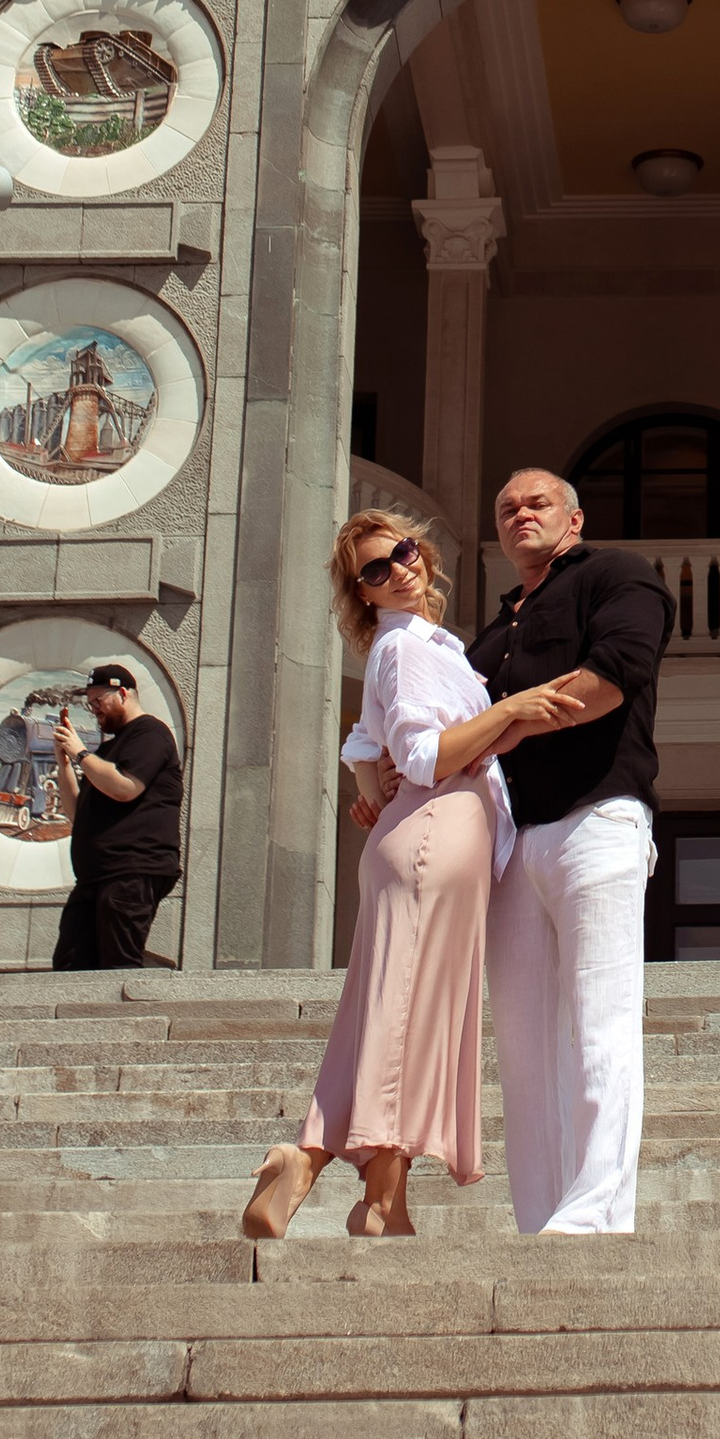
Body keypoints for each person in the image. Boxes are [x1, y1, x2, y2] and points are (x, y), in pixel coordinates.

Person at [241, 515, 517, 1243]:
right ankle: (382, 1200)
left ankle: (302, 1157)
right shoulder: (405, 646)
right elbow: (425, 755)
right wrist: (513, 711)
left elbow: (365, 744)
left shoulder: (420, 646)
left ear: (420, 551)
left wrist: (372, 783)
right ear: (361, 594)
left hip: (417, 834)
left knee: (380, 1014)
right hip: (439, 827)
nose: (398, 569)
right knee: (408, 1020)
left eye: (402, 552)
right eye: (375, 570)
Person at [470, 469, 670, 1235]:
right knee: (522, 1049)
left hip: (599, 822)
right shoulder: (490, 632)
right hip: (513, 842)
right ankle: (539, 1218)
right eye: (507, 509)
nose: (520, 514)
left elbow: (618, 674)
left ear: (574, 516)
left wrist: (509, 721)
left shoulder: (619, 576)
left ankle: (596, 1213)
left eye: (536, 503)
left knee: (599, 1022)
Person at [51, 665, 182, 969]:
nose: (94, 709)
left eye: (98, 701)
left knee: (118, 962)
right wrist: (65, 763)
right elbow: (76, 812)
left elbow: (125, 787)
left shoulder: (151, 733)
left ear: (123, 694)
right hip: (95, 876)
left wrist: (81, 753)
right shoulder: (108, 749)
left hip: (131, 870)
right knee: (69, 962)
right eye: (90, 703)